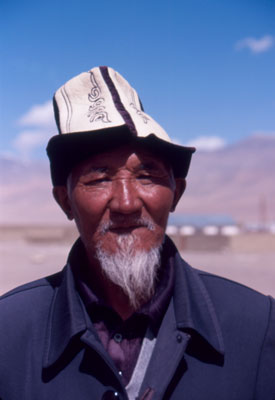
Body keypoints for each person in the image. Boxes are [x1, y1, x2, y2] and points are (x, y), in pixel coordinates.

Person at [0, 66, 274, 400]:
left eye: (146, 175)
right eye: (99, 178)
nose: (127, 204)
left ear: (177, 193)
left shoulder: (257, 327)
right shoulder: (8, 332)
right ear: (65, 202)